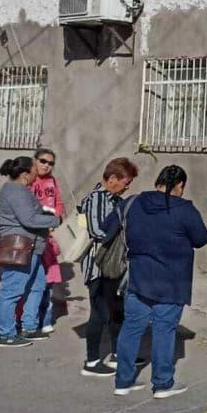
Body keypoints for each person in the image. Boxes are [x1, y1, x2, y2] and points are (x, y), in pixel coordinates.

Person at [107, 165, 207, 399]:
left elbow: (107, 228)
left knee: (131, 327)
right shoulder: (185, 209)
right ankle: (163, 383)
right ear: (180, 185)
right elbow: (201, 239)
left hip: (138, 278)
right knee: (164, 330)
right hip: (173, 281)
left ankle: (123, 381)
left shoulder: (132, 203)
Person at [78, 157, 139, 377]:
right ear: (112, 178)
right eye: (125, 181)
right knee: (100, 312)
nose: (127, 186)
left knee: (116, 311)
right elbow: (97, 231)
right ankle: (92, 361)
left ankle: (117, 354)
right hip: (98, 266)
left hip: (114, 265)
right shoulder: (96, 199)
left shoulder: (114, 200)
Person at [0, 157, 61, 348]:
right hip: (19, 247)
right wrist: (55, 220)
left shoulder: (20, 190)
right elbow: (29, 219)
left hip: (31, 248)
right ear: (25, 174)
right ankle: (5, 334)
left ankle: (28, 326)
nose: (37, 173)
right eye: (34, 170)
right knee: (11, 291)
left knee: (37, 286)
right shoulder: (16, 191)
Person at [28, 148, 65, 334]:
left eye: (50, 163)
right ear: (34, 160)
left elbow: (58, 203)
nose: (46, 165)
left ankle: (45, 319)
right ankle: (29, 320)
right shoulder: (27, 179)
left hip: (49, 238)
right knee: (32, 279)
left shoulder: (52, 181)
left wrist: (56, 219)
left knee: (48, 281)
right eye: (43, 161)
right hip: (32, 237)